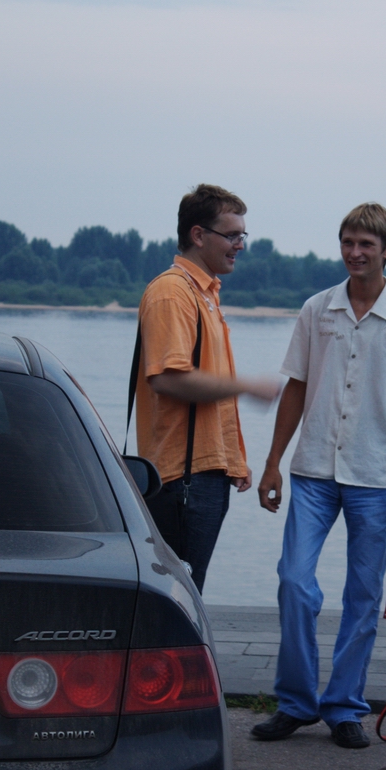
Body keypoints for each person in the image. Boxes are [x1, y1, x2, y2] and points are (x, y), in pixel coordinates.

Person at [252, 203, 386, 750]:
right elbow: (295, 386)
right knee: (294, 581)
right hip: (312, 468)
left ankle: (344, 706)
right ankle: (295, 702)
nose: (355, 253)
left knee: (363, 595)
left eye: (366, 245)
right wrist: (272, 461)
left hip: (375, 476)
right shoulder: (317, 310)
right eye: (348, 242)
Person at [134, 183, 280, 590]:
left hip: (201, 474)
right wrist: (246, 385)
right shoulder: (172, 293)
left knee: (185, 590)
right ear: (198, 235)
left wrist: (232, 459)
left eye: (242, 235)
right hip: (182, 478)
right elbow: (169, 378)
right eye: (232, 235)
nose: (240, 245)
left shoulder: (204, 295)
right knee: (178, 593)